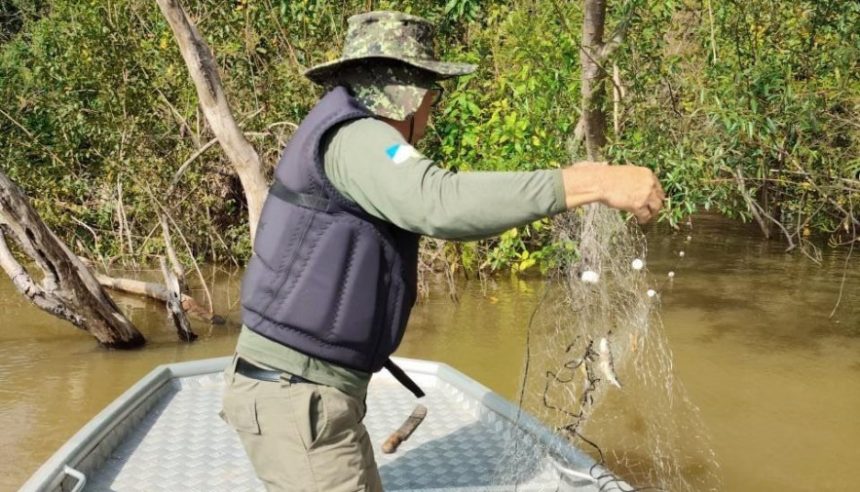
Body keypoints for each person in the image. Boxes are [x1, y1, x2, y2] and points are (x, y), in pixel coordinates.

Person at [220, 10, 664, 492]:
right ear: (408, 98)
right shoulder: (357, 138)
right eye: (433, 98)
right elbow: (439, 202)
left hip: (309, 397)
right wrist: (593, 181)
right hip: (295, 398)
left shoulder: (350, 133)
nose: (431, 116)